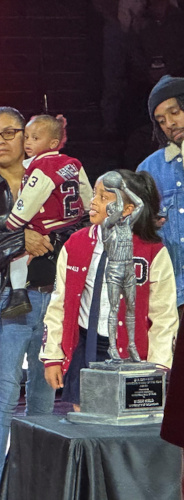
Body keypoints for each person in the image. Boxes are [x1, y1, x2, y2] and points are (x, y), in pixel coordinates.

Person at [0, 106, 62, 500]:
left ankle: (38, 482)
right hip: (4, 298)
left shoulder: (50, 177)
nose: (1, 141)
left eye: (9, 133)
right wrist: (19, 242)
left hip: (51, 298)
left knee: (44, 393)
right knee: (5, 390)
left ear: (25, 137)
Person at [41, 169, 177, 409]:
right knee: (85, 422)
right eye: (94, 194)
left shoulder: (153, 251)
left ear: (128, 209)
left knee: (126, 423)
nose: (93, 202)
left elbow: (164, 316)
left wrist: (159, 366)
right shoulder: (75, 243)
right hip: (84, 346)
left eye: (104, 198)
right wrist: (53, 356)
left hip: (132, 354)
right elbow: (59, 304)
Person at [1, 114, 93, 318]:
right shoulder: (73, 163)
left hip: (47, 225)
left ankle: (18, 296)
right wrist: (88, 213)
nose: (28, 143)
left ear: (53, 143)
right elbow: (87, 194)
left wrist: (12, 225)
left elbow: (31, 198)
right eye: (27, 137)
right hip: (73, 225)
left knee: (17, 255)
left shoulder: (44, 166)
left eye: (35, 138)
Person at [140, 75, 184, 459]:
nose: (170, 122)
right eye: (162, 118)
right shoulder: (151, 168)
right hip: (174, 299)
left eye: (175, 111)